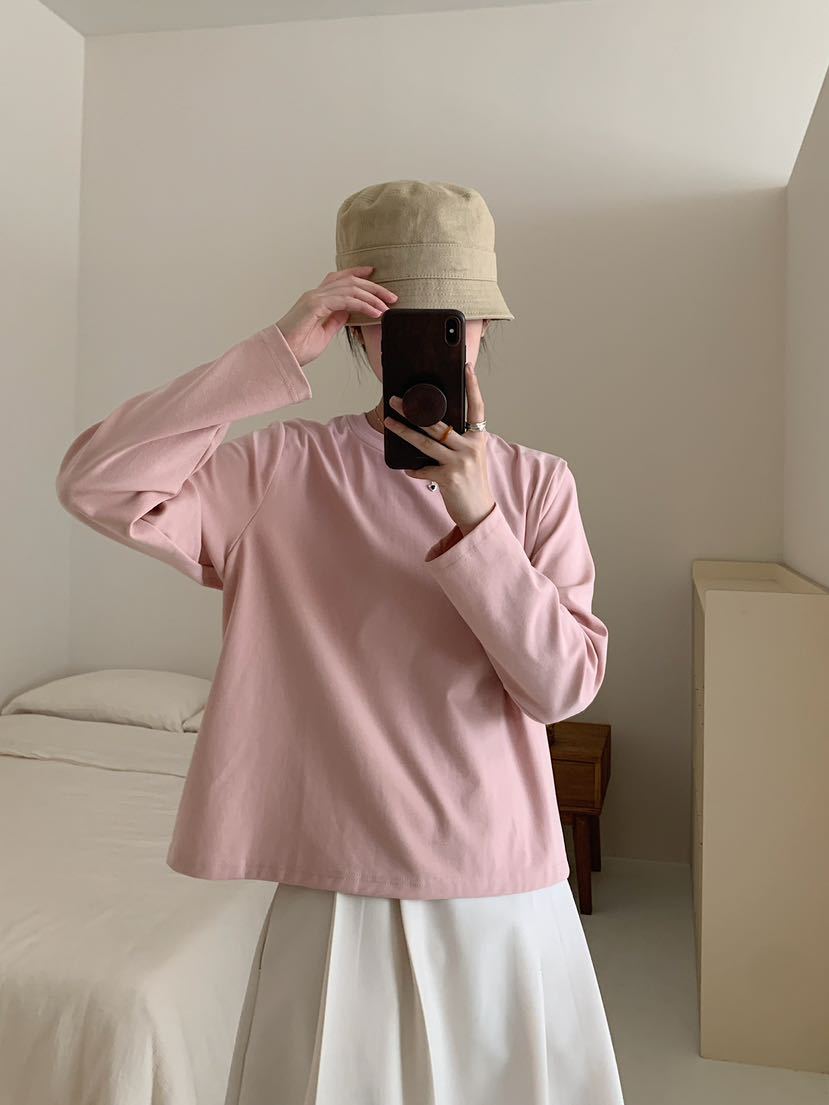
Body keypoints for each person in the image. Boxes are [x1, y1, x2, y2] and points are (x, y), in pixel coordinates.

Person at [56, 180, 625, 1104]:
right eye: (396, 321)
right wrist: (274, 352)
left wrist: (476, 517)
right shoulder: (281, 469)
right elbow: (96, 483)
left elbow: (561, 687)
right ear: (360, 330)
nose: (432, 342)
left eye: (453, 320)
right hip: (332, 882)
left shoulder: (535, 486)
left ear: (482, 327)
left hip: (497, 883)